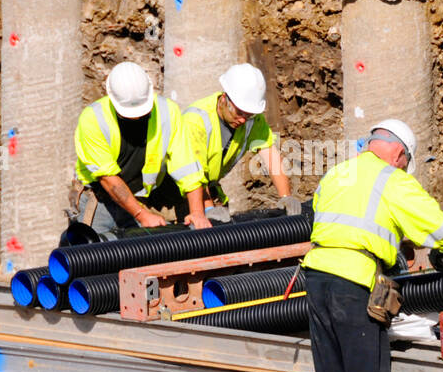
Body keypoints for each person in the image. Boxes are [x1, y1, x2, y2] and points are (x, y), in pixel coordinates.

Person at [300, 118, 443, 372]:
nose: (405, 169)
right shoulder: (392, 179)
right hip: (354, 280)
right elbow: (438, 227)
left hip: (315, 276)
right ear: (399, 155)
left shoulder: (336, 173)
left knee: (331, 367)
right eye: (406, 163)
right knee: (367, 367)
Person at [71, 61, 211, 240]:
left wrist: (198, 213)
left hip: (139, 198)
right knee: (92, 256)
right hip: (100, 201)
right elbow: (108, 179)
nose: (136, 117)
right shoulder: (93, 119)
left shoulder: (168, 112)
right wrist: (142, 215)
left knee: (142, 256)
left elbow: (187, 166)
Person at [182, 63, 298, 221]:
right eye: (239, 112)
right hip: (181, 192)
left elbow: (270, 155)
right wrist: (208, 208)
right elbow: (193, 172)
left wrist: (286, 196)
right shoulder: (196, 120)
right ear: (224, 99)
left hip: (207, 188)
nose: (243, 119)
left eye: (248, 114)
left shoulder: (252, 119)